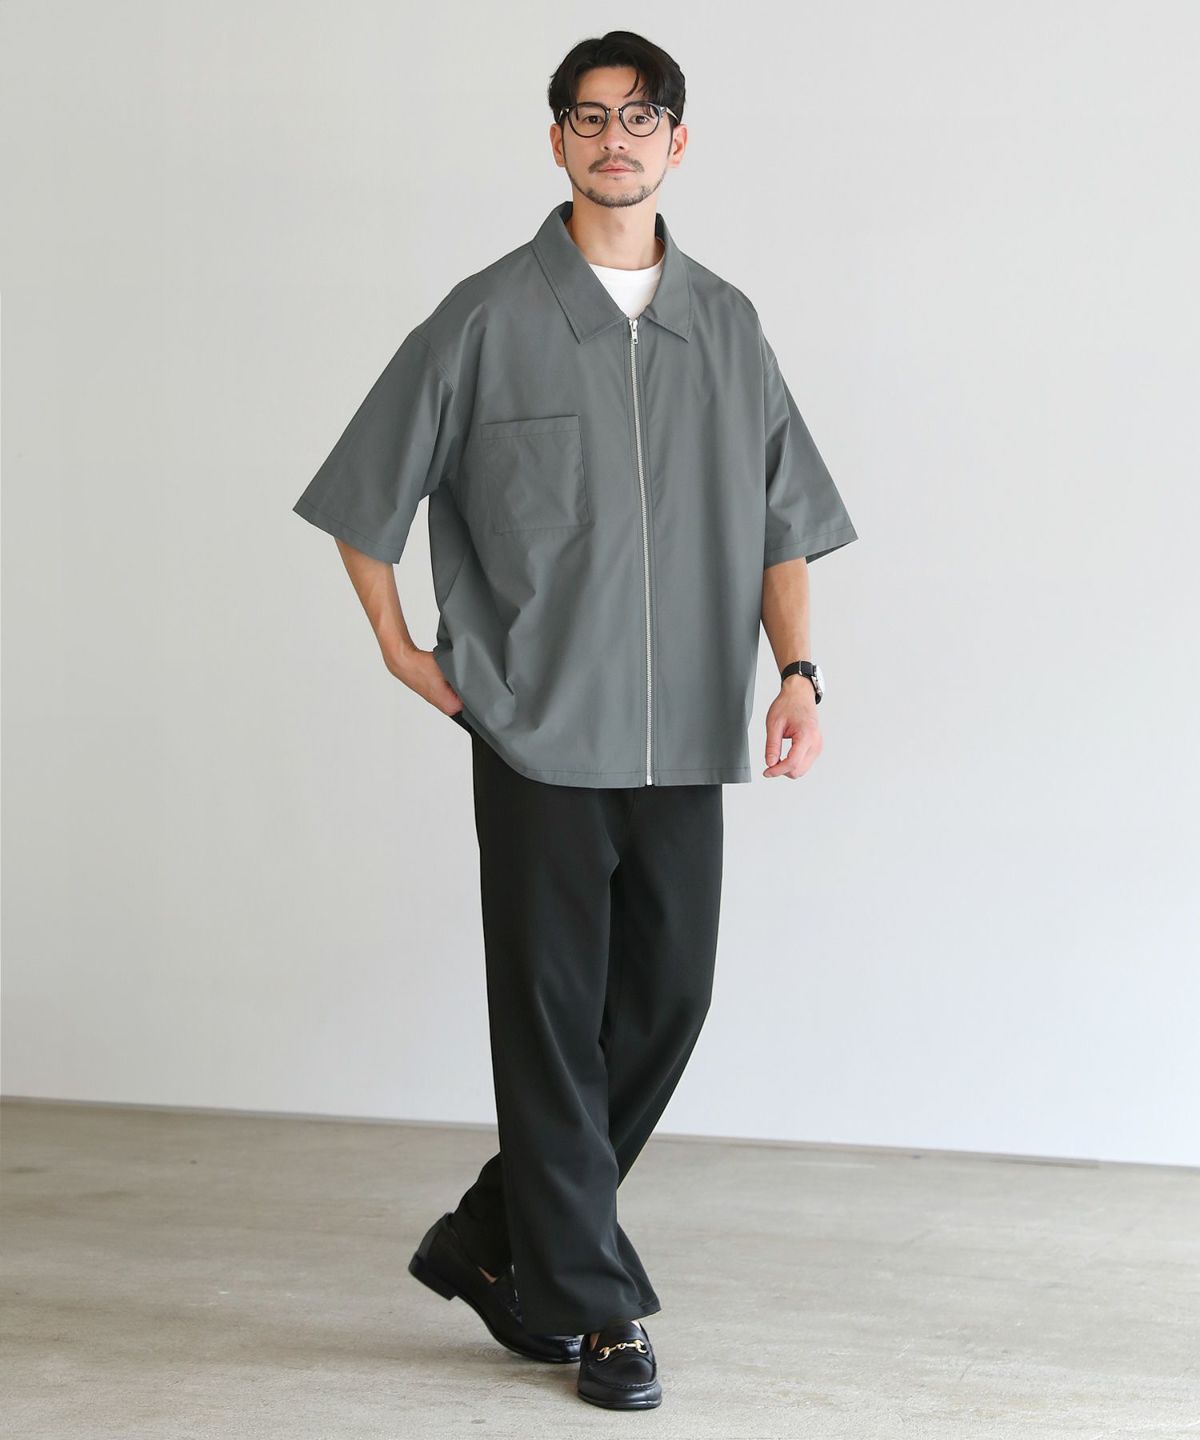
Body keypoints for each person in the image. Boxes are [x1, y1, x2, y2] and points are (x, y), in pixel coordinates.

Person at [292, 30, 858, 1412]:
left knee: (666, 1001)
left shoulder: (728, 326)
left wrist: (798, 673)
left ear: (678, 141)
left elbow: (783, 521)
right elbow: (366, 491)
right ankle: (594, 1306)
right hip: (537, 732)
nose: (616, 139)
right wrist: (398, 647)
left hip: (687, 737)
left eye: (641, 116)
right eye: (590, 117)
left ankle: (491, 1238)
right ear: (556, 141)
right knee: (551, 1021)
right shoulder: (486, 318)